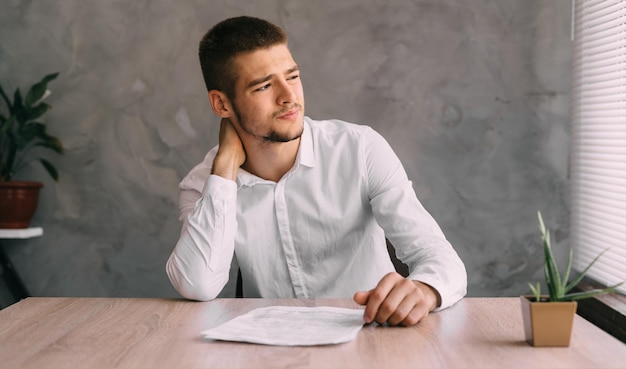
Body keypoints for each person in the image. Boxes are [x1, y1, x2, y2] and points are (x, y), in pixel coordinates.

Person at [166, 16, 467, 326]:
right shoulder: (206, 185)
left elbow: (439, 256)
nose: (289, 97)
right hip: (271, 349)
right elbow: (198, 284)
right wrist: (226, 167)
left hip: (372, 338)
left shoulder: (360, 149)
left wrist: (425, 290)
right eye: (264, 86)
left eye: (292, 76)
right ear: (221, 104)